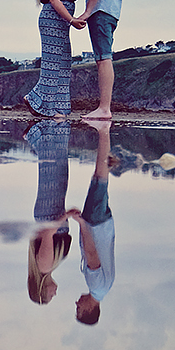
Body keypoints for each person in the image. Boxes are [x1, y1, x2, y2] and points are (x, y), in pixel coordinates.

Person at [24, 0, 78, 119]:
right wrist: (72, 19)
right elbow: (55, 0)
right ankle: (39, 102)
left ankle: (58, 108)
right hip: (54, 20)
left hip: (58, 22)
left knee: (63, 63)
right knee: (53, 64)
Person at [66, 120, 115, 324]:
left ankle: (104, 134)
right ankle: (104, 131)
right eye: (79, 310)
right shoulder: (96, 286)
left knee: (99, 179)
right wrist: (82, 223)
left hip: (103, 225)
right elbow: (92, 254)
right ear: (88, 310)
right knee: (100, 178)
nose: (77, 305)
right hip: (95, 225)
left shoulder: (104, 289)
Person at [25, 119, 72, 304]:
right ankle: (45, 131)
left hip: (49, 213)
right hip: (50, 211)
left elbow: (48, 232)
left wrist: (68, 216)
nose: (55, 294)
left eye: (50, 296)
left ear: (42, 288)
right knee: (55, 168)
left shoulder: (44, 265)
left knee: (53, 167)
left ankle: (46, 129)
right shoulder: (47, 266)